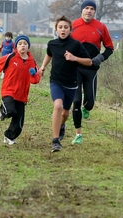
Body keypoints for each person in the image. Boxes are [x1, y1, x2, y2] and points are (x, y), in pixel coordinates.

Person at [38, 16, 92, 152]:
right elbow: (49, 54)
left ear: (70, 29)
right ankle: (55, 141)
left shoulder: (76, 45)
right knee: (58, 106)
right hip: (56, 81)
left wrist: (74, 58)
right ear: (56, 29)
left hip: (71, 84)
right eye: (60, 27)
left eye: (66, 27)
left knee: (65, 113)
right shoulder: (52, 44)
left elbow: (89, 61)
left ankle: (61, 126)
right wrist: (43, 66)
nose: (63, 30)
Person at [69, 0, 114, 145]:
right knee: (75, 101)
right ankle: (78, 134)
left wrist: (100, 58)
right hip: (74, 68)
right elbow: (63, 43)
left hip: (91, 69)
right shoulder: (73, 25)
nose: (89, 11)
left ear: (95, 12)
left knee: (89, 103)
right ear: (81, 10)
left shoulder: (101, 27)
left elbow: (109, 48)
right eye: (86, 8)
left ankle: (86, 106)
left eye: (92, 9)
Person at [0, 35, 41, 145]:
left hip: (22, 95)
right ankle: (3, 111)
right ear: (16, 46)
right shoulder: (10, 57)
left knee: (19, 123)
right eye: (20, 44)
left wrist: (33, 75)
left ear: (28, 46)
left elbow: (35, 80)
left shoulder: (32, 62)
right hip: (9, 91)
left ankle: (8, 136)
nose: (22, 46)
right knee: (10, 111)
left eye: (25, 44)